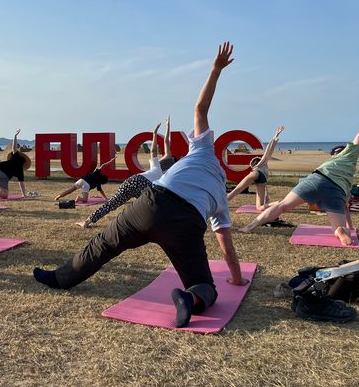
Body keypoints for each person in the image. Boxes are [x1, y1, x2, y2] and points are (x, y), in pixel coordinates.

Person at [34, 42, 248, 328]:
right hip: (187, 224)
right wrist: (236, 277)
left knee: (104, 244)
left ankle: (60, 279)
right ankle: (190, 300)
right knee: (202, 285)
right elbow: (227, 249)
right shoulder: (220, 196)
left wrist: (215, 70)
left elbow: (200, 107)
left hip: (153, 203)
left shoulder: (204, 150)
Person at [238, 101, 359, 246]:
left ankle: (250, 227)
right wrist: (350, 227)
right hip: (337, 191)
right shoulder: (349, 176)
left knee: (282, 206)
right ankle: (341, 231)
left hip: (317, 179)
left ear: (335, 154)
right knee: (338, 227)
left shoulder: (341, 156)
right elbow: (345, 205)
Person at [76, 121, 166, 228]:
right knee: (151, 208)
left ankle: (87, 221)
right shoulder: (166, 178)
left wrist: (154, 134)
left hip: (134, 180)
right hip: (145, 187)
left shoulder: (157, 168)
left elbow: (153, 151)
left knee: (113, 203)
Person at [226, 125, 285, 211]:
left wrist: (275, 136)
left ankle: (221, 203)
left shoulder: (259, 165)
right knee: (259, 207)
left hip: (257, 174)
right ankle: (278, 203)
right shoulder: (264, 166)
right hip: (262, 180)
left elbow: (268, 150)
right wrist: (267, 200)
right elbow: (265, 189)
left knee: (236, 190)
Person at [0, 128, 31, 199]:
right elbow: (21, 184)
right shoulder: (20, 170)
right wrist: (24, 195)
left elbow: (14, 147)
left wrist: (15, 135)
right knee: (4, 195)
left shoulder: (15, 156)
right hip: (3, 175)